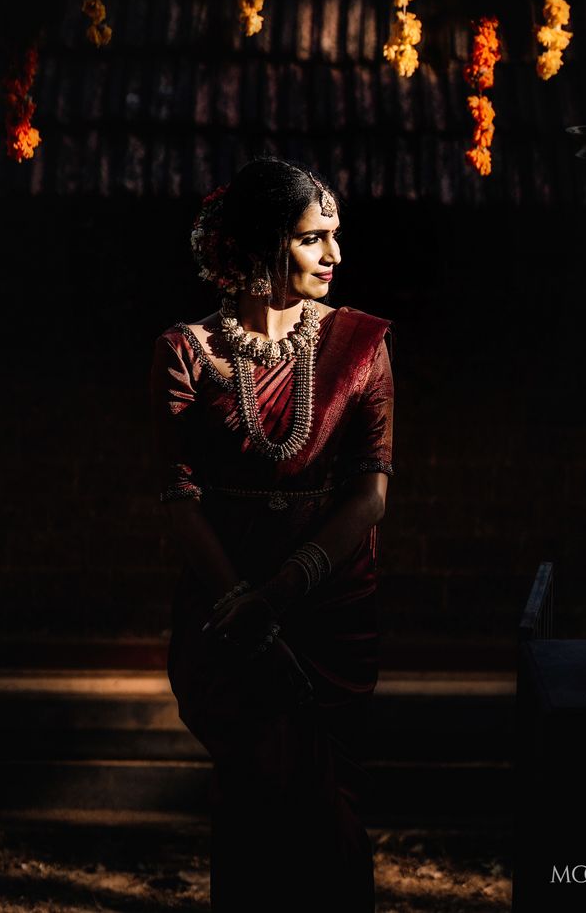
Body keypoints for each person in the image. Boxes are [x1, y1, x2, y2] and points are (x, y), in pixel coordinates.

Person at [149, 156, 395, 913]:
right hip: (227, 612)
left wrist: (281, 595)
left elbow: (369, 496)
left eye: (337, 237)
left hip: (326, 611)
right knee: (253, 800)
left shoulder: (361, 347)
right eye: (315, 238)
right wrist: (239, 604)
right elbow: (178, 495)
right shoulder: (188, 351)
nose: (335, 256)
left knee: (332, 817)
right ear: (263, 243)